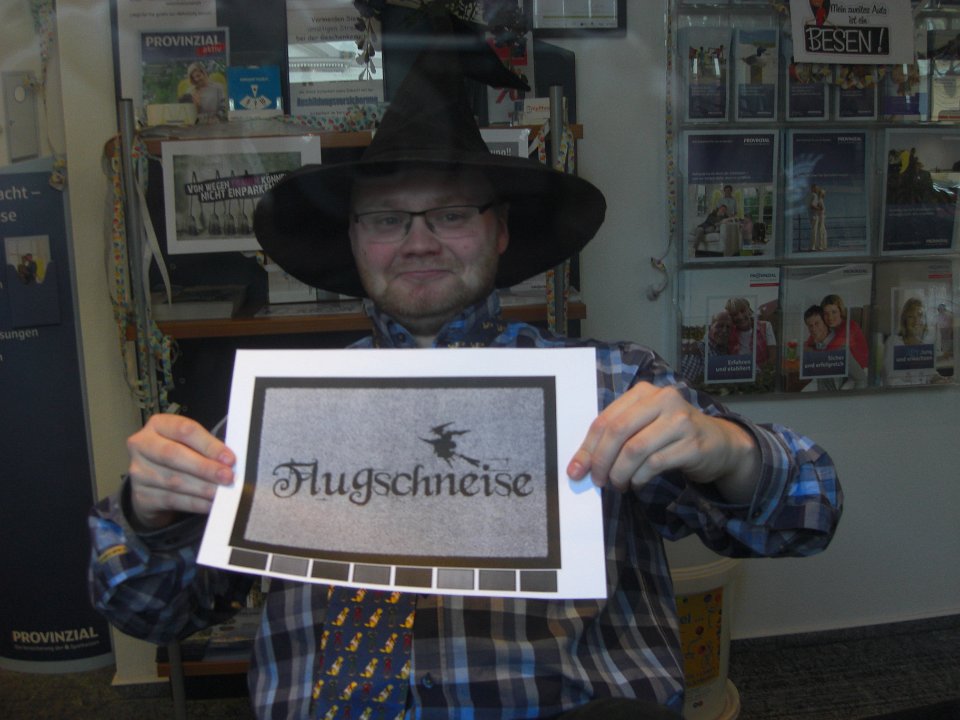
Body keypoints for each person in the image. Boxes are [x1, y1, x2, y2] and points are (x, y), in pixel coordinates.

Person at [89, 51, 842, 720]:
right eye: (386, 219)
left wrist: (732, 452)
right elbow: (151, 612)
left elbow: (806, 516)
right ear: (354, 240)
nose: (418, 241)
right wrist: (149, 515)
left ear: (500, 230)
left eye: (451, 214)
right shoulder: (286, 413)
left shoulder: (611, 389)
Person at [883, 297, 948, 387]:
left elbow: (929, 374)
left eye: (920, 315)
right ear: (904, 320)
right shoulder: (893, 342)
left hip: (922, 394)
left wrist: (938, 379)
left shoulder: (926, 345)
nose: (916, 321)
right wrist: (923, 387)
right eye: (911, 317)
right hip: (902, 395)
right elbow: (891, 381)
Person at [801, 305, 866, 391]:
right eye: (810, 326)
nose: (814, 329)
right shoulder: (816, 346)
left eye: (817, 323)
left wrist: (850, 398)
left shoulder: (840, 348)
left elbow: (861, 379)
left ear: (825, 322)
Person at [820, 293, 868, 369]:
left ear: (840, 312)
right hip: (841, 367)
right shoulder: (829, 328)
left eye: (834, 312)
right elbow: (809, 344)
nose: (830, 317)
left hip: (860, 370)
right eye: (826, 313)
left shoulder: (850, 326)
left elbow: (830, 349)